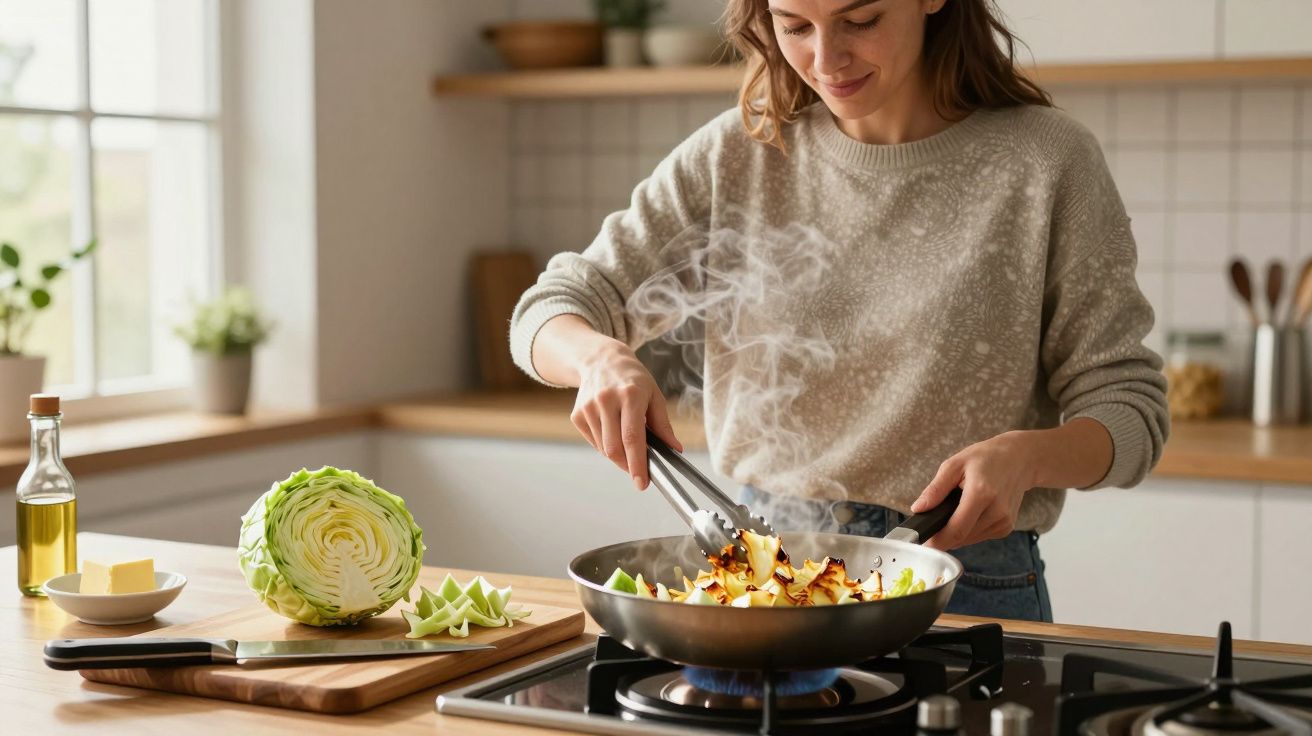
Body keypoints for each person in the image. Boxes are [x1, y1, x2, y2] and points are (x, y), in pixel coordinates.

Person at [508, 0, 1168, 622]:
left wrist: (1028, 458)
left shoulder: (1047, 162)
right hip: (768, 573)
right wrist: (598, 358)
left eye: (860, 19)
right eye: (795, 25)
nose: (827, 58)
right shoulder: (739, 154)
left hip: (969, 586)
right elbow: (552, 307)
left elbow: (1127, 408)